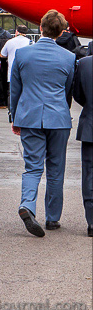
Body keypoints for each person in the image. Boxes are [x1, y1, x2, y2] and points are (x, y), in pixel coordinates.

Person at [9, 9, 75, 237]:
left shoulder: (23, 54)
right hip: (58, 117)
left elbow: (15, 90)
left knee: (33, 166)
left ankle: (27, 204)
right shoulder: (69, 57)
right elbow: (68, 92)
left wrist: (15, 117)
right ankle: (53, 217)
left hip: (30, 115)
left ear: (40, 27)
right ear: (61, 31)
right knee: (56, 169)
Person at [71, 54, 93, 237]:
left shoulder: (84, 63)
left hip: (90, 125)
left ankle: (92, 220)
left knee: (89, 174)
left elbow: (77, 93)